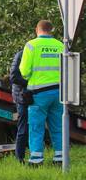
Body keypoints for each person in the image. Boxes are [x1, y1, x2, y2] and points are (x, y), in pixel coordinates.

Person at [19, 20, 64, 165]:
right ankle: (60, 158)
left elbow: (24, 71)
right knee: (58, 126)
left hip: (39, 94)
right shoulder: (60, 45)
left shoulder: (31, 45)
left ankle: (36, 159)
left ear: (36, 30)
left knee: (36, 127)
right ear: (51, 30)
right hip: (59, 93)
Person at [8, 46, 30, 163]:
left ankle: (33, 156)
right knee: (23, 126)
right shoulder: (20, 55)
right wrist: (30, 83)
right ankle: (19, 158)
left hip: (30, 94)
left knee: (32, 126)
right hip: (21, 95)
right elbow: (14, 77)